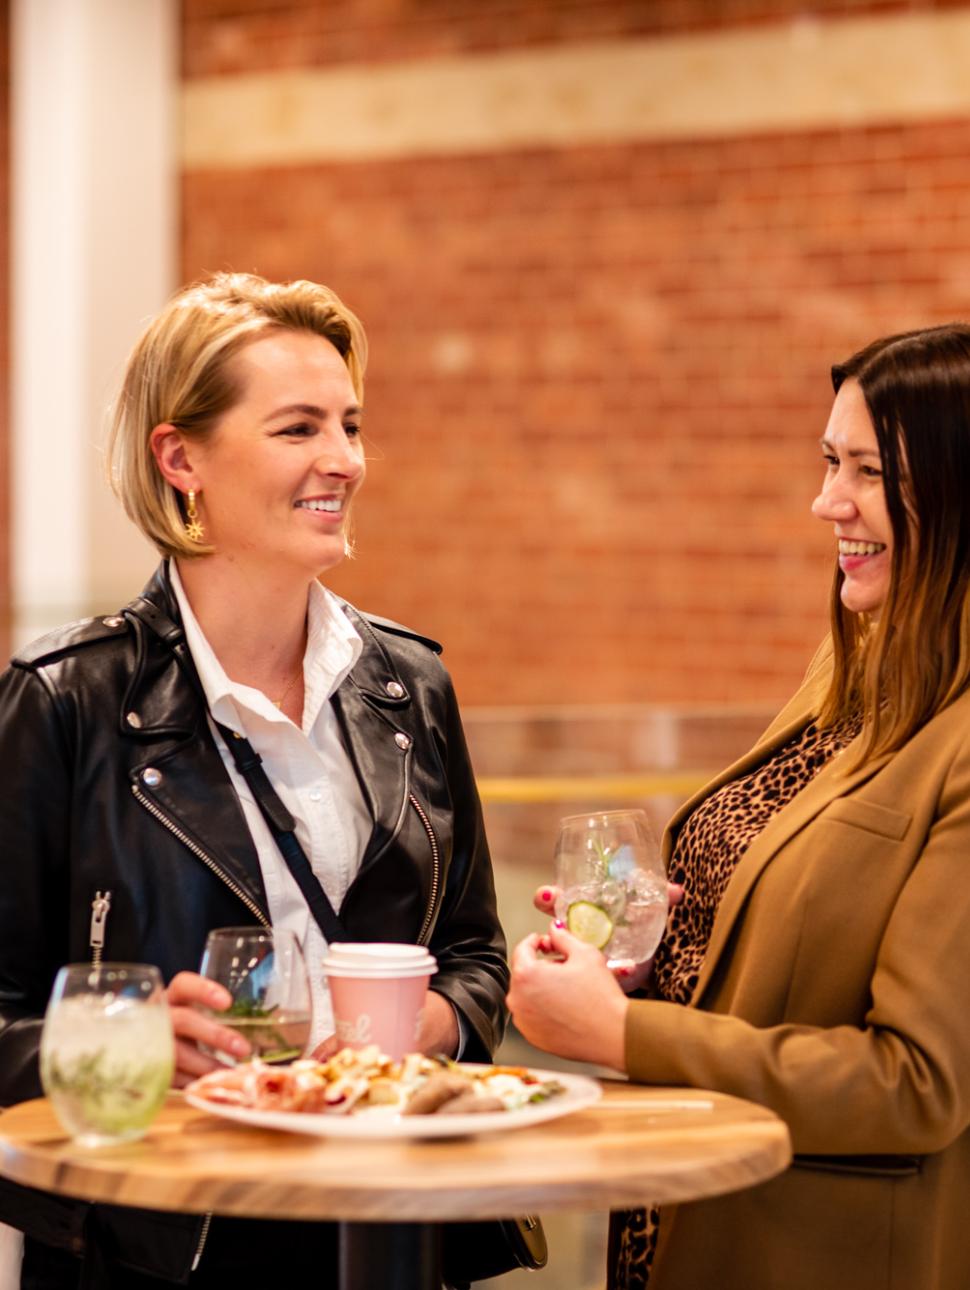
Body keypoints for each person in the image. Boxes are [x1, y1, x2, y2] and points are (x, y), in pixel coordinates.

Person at [0, 273, 508, 1287]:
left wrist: (422, 1025)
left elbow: (473, 955)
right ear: (180, 457)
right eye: (297, 430)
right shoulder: (66, 701)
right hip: (158, 1241)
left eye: (350, 425)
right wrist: (125, 1041)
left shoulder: (413, 685)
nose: (344, 461)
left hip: (391, 1229)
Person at [508, 324, 970, 1290]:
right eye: (827, 462)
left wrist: (621, 1034)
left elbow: (917, 1085)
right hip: (681, 1213)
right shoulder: (857, 661)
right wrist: (653, 954)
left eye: (868, 472)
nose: (826, 502)